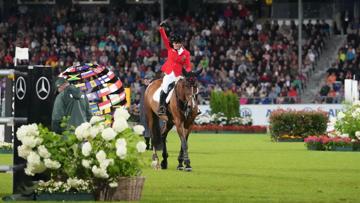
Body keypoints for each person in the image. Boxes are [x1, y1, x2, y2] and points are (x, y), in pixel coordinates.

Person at [158, 20, 192, 115]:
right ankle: (161, 107)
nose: (176, 44)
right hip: (169, 74)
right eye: (174, 43)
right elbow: (164, 38)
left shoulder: (186, 53)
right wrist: (161, 29)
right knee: (164, 88)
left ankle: (192, 107)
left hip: (179, 75)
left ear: (181, 43)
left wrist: (188, 73)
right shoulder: (170, 49)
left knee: (189, 88)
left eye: (178, 43)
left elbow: (188, 66)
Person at [140, 73, 154, 149]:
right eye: (145, 79)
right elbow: (142, 101)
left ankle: (152, 145)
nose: (146, 81)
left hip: (152, 112)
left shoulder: (153, 88)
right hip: (144, 112)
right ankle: (147, 144)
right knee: (145, 129)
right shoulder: (142, 88)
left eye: (147, 79)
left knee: (152, 129)